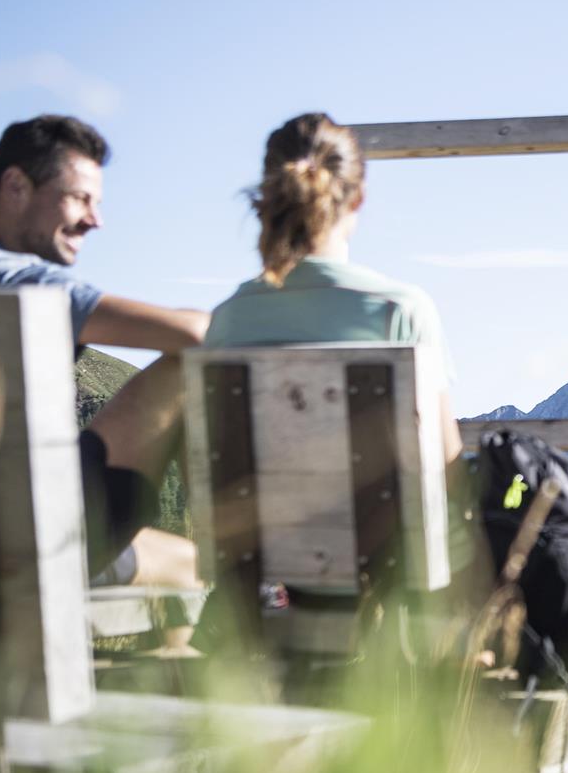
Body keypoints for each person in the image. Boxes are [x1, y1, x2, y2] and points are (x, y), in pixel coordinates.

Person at [0, 115, 207, 588]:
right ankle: (247, 576)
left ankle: (205, 614)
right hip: (28, 542)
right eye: (80, 198)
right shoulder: (21, 281)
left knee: (188, 561)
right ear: (15, 185)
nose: (95, 219)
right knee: (183, 370)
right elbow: (194, 334)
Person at [207, 113, 484, 625]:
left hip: (263, 576)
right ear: (357, 199)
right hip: (386, 581)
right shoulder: (399, 310)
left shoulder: (227, 319)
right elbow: (444, 467)